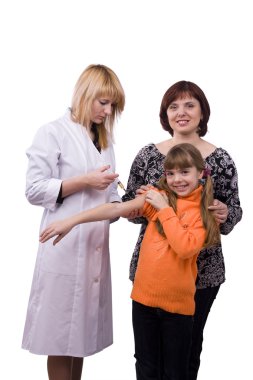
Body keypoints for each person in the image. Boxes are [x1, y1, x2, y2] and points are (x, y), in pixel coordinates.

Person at [40, 143, 221, 380]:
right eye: (171, 173)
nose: (177, 179)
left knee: (174, 372)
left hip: (178, 310)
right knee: (145, 368)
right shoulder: (158, 197)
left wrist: (164, 210)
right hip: (143, 302)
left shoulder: (205, 212)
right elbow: (115, 209)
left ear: (200, 172)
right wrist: (72, 221)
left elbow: (185, 247)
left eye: (185, 172)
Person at [122, 80, 242, 380]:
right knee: (147, 357)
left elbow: (233, 210)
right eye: (173, 106)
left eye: (190, 105)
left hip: (202, 273)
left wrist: (228, 213)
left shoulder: (221, 159)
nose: (181, 112)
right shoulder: (149, 155)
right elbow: (129, 206)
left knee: (186, 355)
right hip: (154, 271)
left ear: (202, 112)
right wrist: (138, 206)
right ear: (166, 115)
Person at [21, 64, 125, 380]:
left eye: (112, 106)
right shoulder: (52, 132)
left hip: (95, 247)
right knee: (59, 335)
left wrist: (122, 204)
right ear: (84, 94)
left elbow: (107, 195)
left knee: (79, 339)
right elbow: (33, 189)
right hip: (63, 247)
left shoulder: (104, 141)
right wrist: (83, 181)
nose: (107, 112)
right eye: (102, 102)